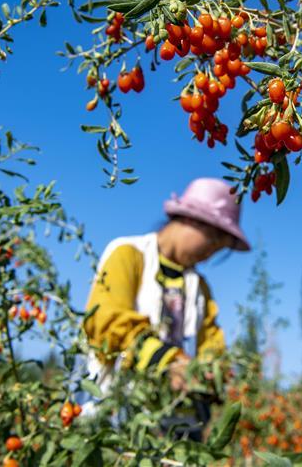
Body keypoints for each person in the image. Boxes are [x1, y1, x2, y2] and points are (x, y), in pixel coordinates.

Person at [80, 177, 250, 440]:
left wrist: (210, 373)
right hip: (116, 412)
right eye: (212, 242)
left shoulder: (199, 287)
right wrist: (168, 361)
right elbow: (107, 320)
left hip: (179, 426)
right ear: (191, 219)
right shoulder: (129, 255)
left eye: (219, 250)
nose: (210, 255)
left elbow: (211, 342)